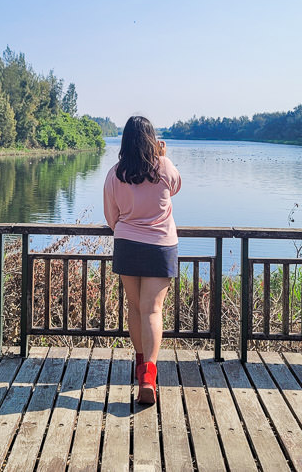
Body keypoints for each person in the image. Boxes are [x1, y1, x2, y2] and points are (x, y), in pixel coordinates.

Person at [103, 115, 181, 404]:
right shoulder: (162, 168)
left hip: (127, 243)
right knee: (153, 310)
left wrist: (127, 227)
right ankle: (149, 375)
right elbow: (176, 186)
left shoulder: (115, 173)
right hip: (160, 245)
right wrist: (163, 155)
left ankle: (140, 367)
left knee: (135, 308)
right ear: (151, 139)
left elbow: (111, 217)